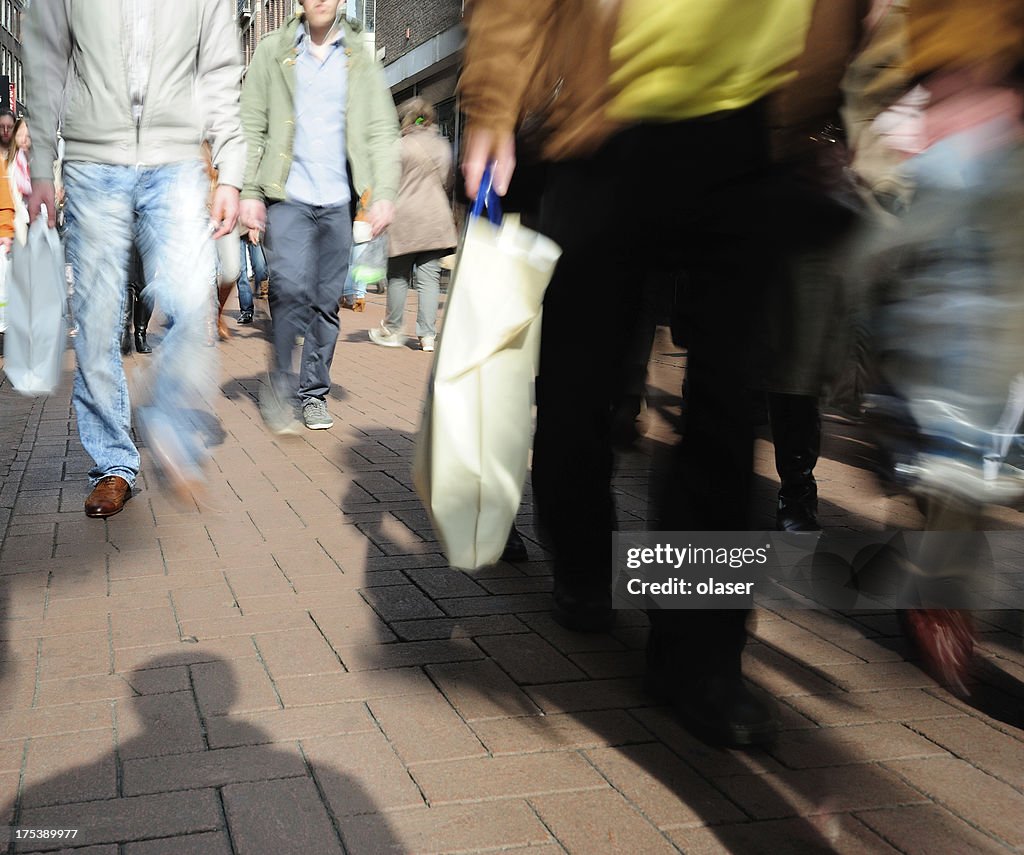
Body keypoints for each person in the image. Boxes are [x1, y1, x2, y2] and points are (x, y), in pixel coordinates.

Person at [460, 0, 815, 747]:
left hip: (752, 124)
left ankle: (696, 653)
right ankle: (584, 559)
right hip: (603, 116)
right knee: (576, 386)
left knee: (727, 404)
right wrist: (494, 99)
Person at [24, 1, 245, 517]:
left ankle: (166, 418)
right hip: (92, 157)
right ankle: (113, 467)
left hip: (176, 160)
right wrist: (39, 161)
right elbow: (45, 58)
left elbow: (218, 69)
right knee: (97, 324)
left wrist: (230, 168)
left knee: (194, 302)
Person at [240, 0, 399, 433]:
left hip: (337, 203)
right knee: (289, 288)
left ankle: (313, 394)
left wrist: (382, 192)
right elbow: (251, 125)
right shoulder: (272, 51)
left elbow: (382, 129)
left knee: (327, 304)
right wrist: (250, 191)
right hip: (286, 196)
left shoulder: (359, 59)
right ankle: (280, 379)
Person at [368, 98, 457, 353]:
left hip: (405, 219)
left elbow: (388, 182)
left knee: (397, 276)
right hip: (435, 219)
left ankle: (394, 329)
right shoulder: (442, 146)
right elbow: (447, 182)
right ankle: (427, 335)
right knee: (429, 279)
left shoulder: (398, 146)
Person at [236, 227, 269, 325]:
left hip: (252, 226)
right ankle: (246, 311)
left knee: (260, 267)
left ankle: (261, 287)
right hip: (234, 230)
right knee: (240, 271)